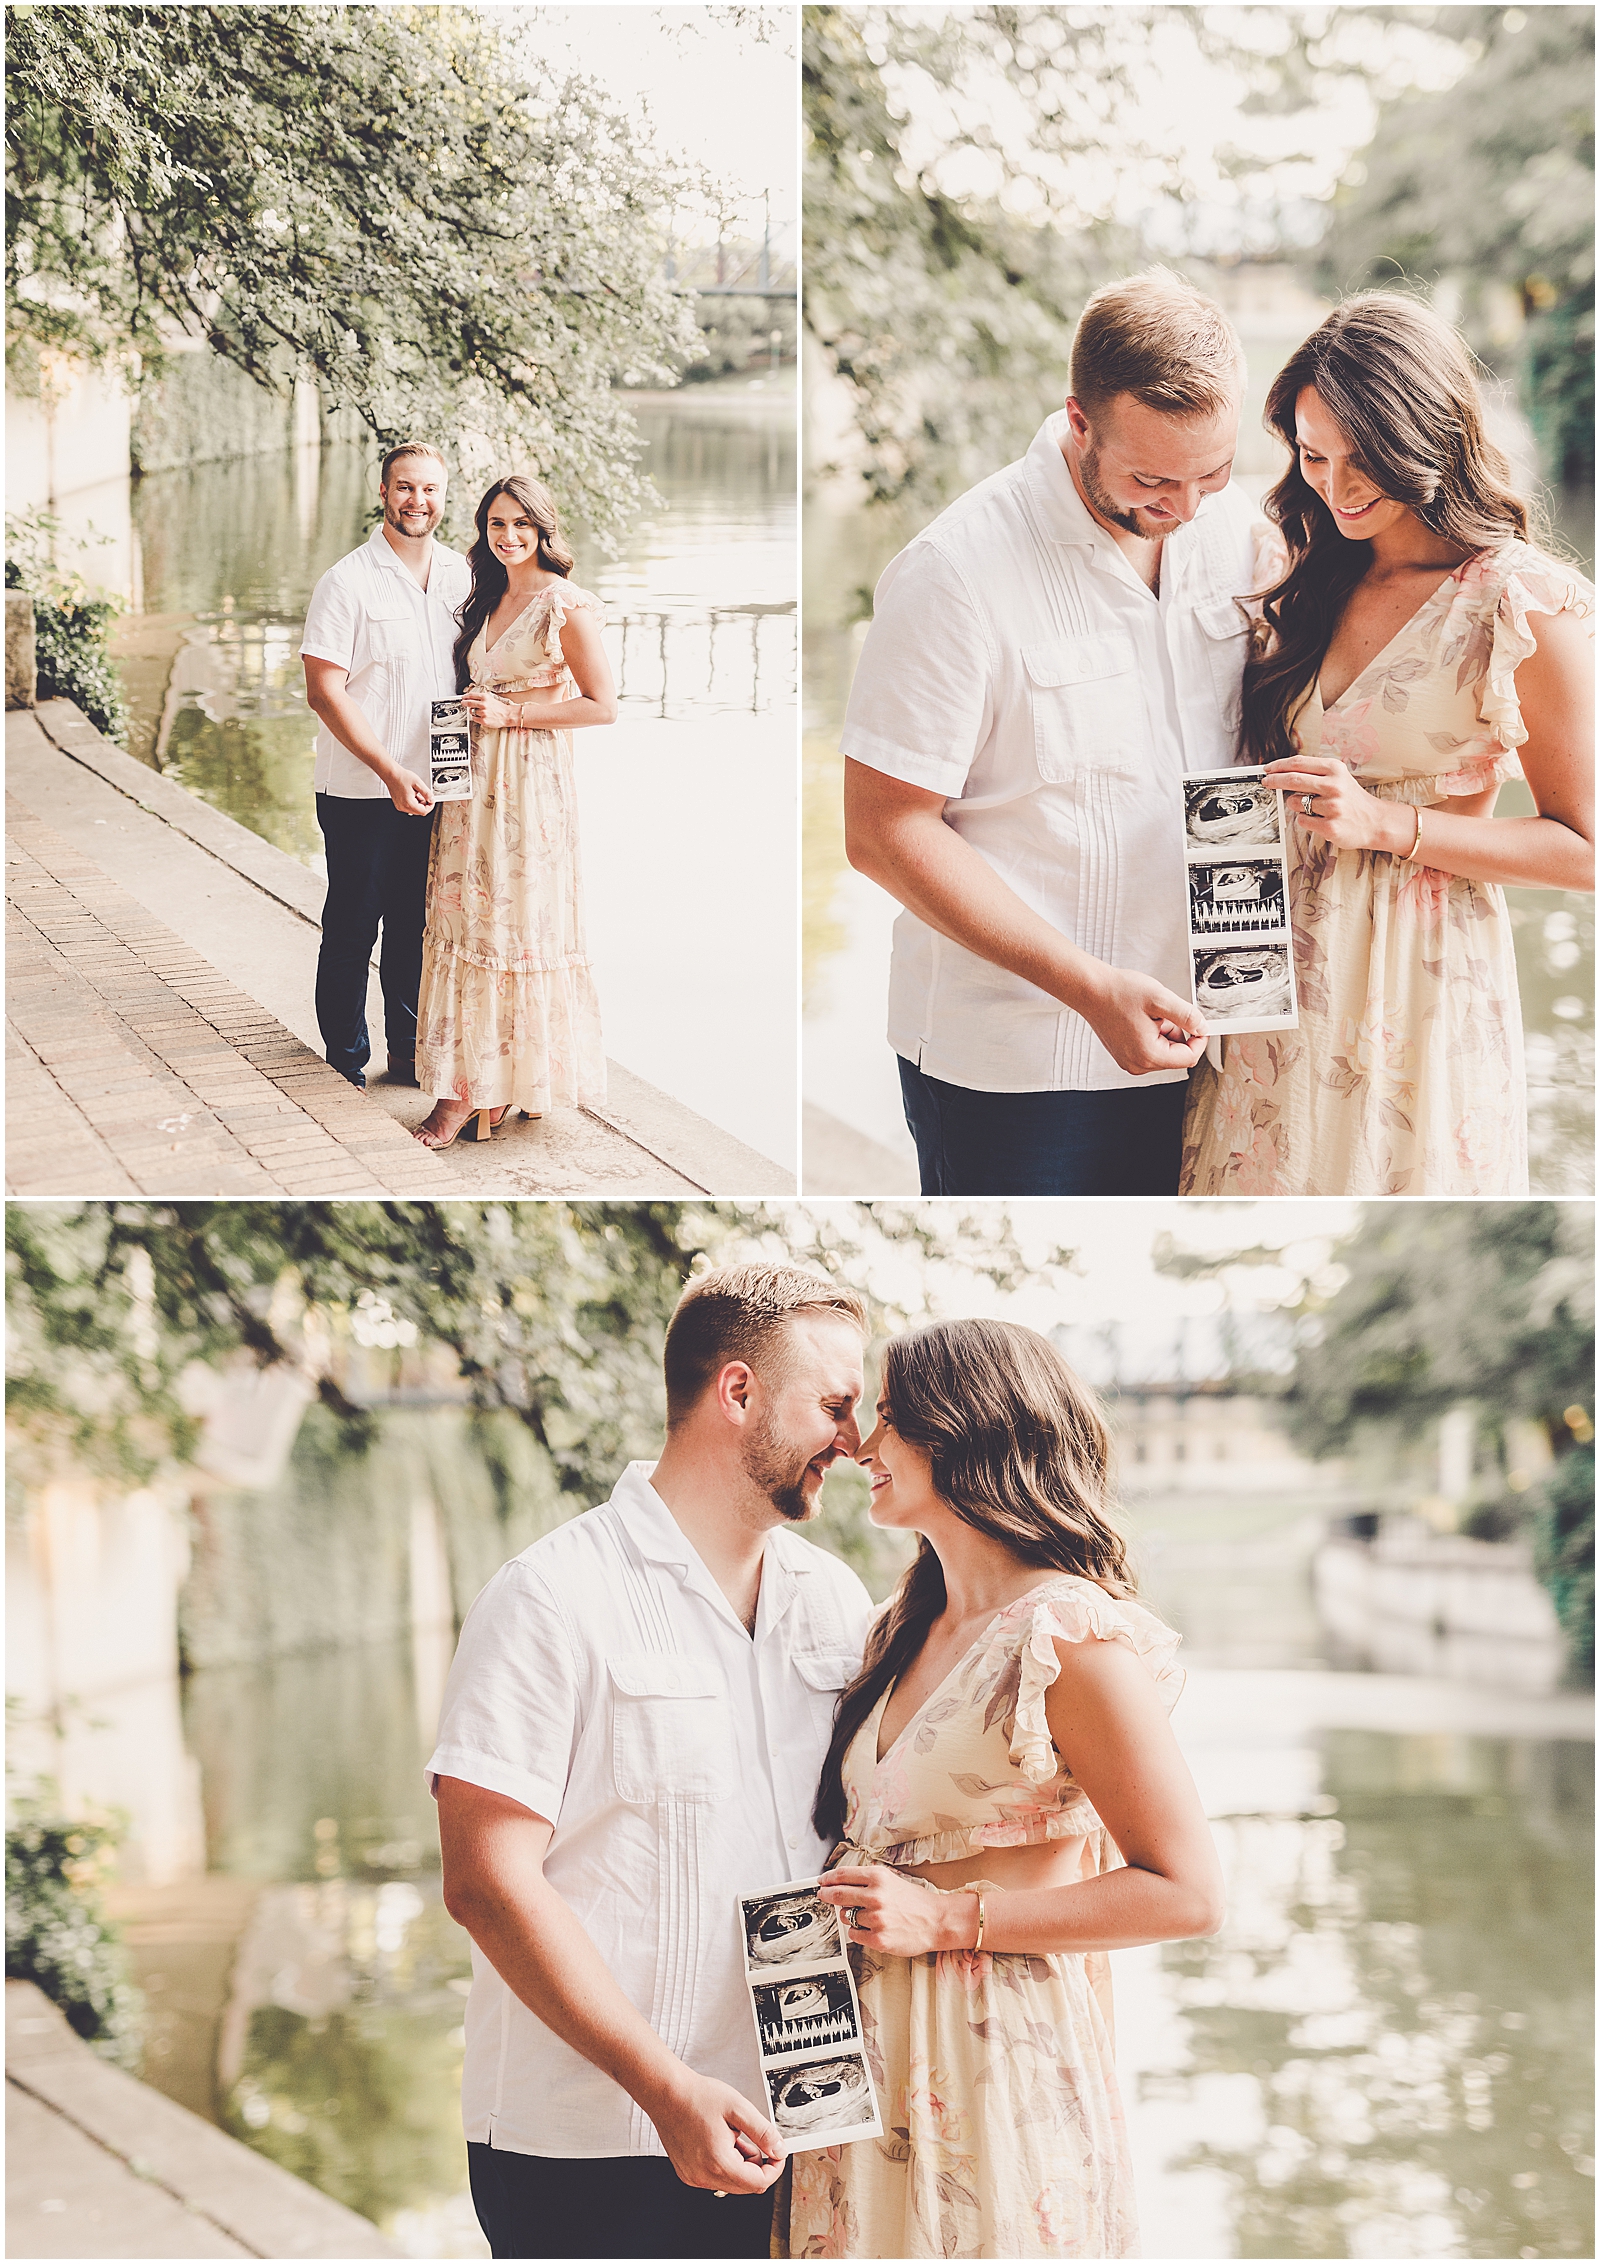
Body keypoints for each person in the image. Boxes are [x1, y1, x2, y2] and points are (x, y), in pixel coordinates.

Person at [429, 1264, 875, 2261]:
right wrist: (665, 2086)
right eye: (836, 1405)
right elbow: (485, 1881)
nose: (853, 1439)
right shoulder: (550, 1596)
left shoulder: (831, 1598)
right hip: (593, 2144)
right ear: (737, 1392)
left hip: (799, 2117)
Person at [785, 1319, 1222, 2261]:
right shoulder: (897, 1628)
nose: (861, 1444)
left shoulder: (1068, 1638)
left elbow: (1187, 1893)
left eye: (890, 1419)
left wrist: (947, 1921)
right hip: (851, 2069)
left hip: (983, 2068)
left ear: (963, 1430)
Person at [841, 269, 1277, 1197]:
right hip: (1023, 1064)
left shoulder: (1232, 528)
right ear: (1078, 422)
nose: (1187, 507)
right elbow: (883, 830)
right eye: (1152, 479)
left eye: (1213, 471)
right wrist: (1088, 987)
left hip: (1217, 1029)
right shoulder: (954, 574)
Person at [1182, 293, 1595, 1196]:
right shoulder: (1302, 567)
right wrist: (1221, 980)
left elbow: (1585, 851)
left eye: (1365, 458)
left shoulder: (1518, 602)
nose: (1336, 487)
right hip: (1262, 983)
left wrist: (1388, 824)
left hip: (1411, 986)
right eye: (1313, 454)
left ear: (1430, 434)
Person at [412, 475, 615, 1148]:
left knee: (512, 928)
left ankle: (470, 1094)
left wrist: (512, 713)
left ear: (543, 529)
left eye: (521, 525)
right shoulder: (488, 594)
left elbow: (602, 706)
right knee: (467, 921)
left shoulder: (565, 605)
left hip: (528, 786)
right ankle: (488, 1087)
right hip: (473, 785)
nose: (508, 536)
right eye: (497, 524)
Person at [300, 443, 471, 1089]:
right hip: (360, 790)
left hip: (438, 786)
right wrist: (387, 771)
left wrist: (453, 778)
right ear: (382, 491)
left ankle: (407, 1054)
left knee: (417, 928)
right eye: (404, 488)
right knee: (352, 928)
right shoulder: (346, 581)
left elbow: (465, 682)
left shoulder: (464, 575)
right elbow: (325, 691)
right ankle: (345, 1060)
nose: (416, 501)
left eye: (428, 490)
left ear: (444, 496)